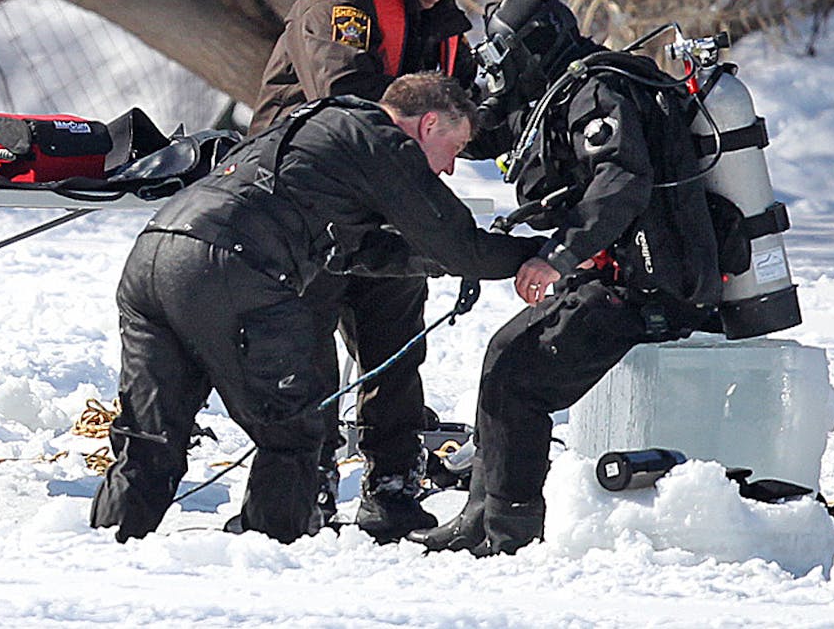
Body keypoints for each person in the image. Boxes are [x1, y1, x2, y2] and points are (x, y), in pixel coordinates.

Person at [89, 73, 544, 544]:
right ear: (428, 125)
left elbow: (348, 252)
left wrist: (430, 262)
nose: (450, 168)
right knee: (294, 435)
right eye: (455, 147)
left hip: (154, 254)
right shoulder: (383, 142)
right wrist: (531, 256)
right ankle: (270, 556)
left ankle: (106, 554)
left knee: (148, 438)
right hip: (234, 268)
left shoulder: (320, 124)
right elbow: (457, 243)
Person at [409, 0, 721, 556]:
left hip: (649, 286)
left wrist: (557, 257)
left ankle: (510, 533)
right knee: (506, 357)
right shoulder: (556, 93)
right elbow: (489, 131)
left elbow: (622, 182)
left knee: (517, 374)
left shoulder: (596, 93)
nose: (495, 64)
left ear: (532, 47)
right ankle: (482, 514)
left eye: (501, 51)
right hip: (618, 277)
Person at [248, 0, 486, 540]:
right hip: (309, 197)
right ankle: (310, 485)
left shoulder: (441, 17)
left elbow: (461, 105)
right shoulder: (341, 1)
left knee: (396, 342)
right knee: (311, 345)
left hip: (386, 197)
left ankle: (392, 484)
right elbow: (345, 100)